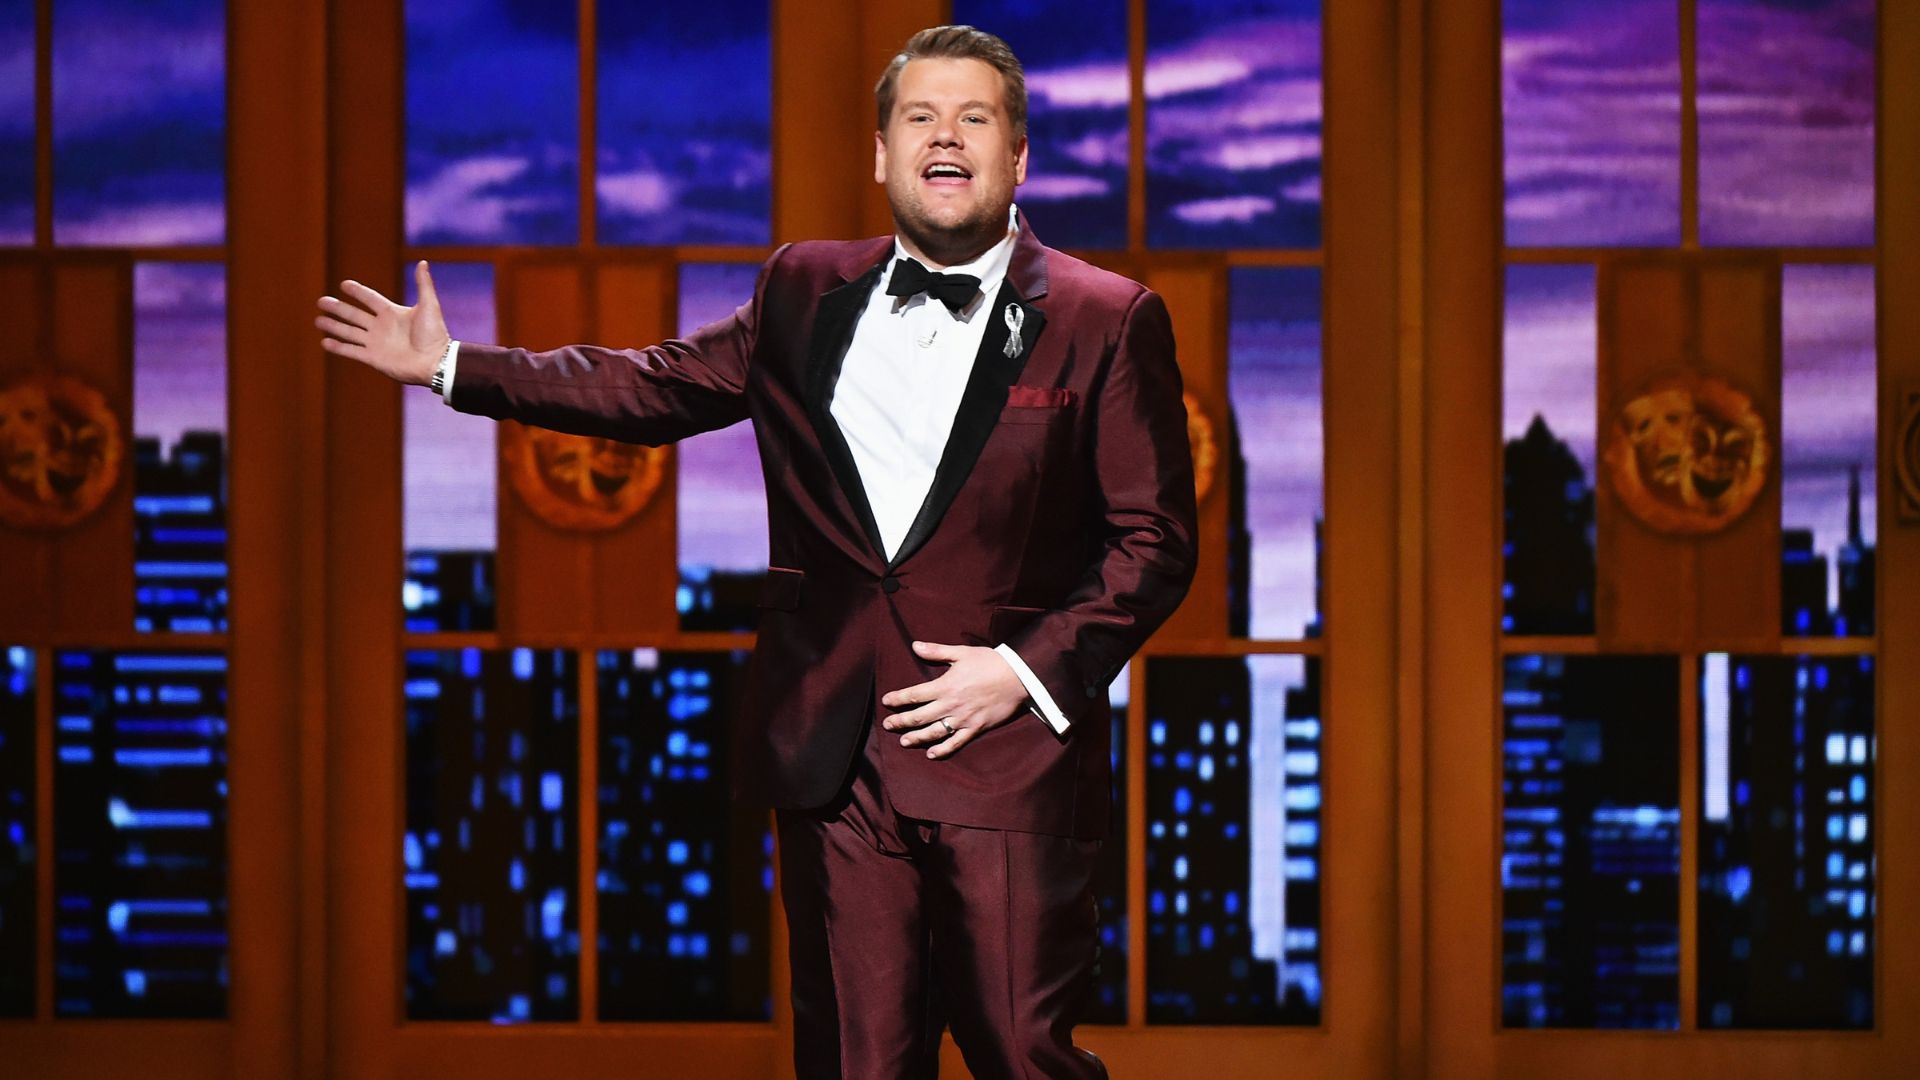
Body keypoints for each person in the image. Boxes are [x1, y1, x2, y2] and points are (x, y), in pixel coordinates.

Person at [317, 25, 1196, 1079]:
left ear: (1018, 157)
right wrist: (456, 366)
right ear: (881, 153)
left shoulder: (1107, 317)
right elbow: (650, 387)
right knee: (854, 1064)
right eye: (920, 117)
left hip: (1003, 762)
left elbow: (1153, 543)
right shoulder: (800, 289)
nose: (945, 138)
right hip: (834, 756)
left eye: (975, 118)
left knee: (1022, 1058)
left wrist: (1022, 673)